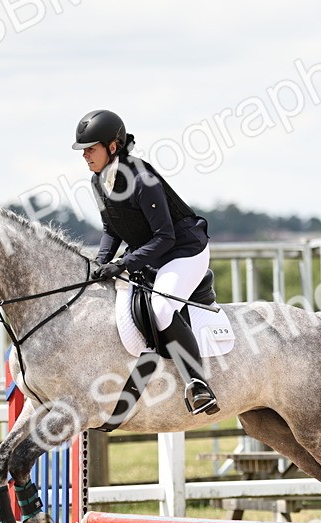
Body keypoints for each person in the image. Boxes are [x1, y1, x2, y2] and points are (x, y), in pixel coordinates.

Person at [73, 109, 219, 415]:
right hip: (153, 254)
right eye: (83, 150)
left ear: (112, 147)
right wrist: (99, 265)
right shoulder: (99, 181)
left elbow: (165, 236)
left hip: (184, 250)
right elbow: (111, 229)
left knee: (161, 307)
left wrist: (124, 264)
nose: (85, 155)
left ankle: (198, 383)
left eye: (90, 149)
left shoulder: (142, 178)